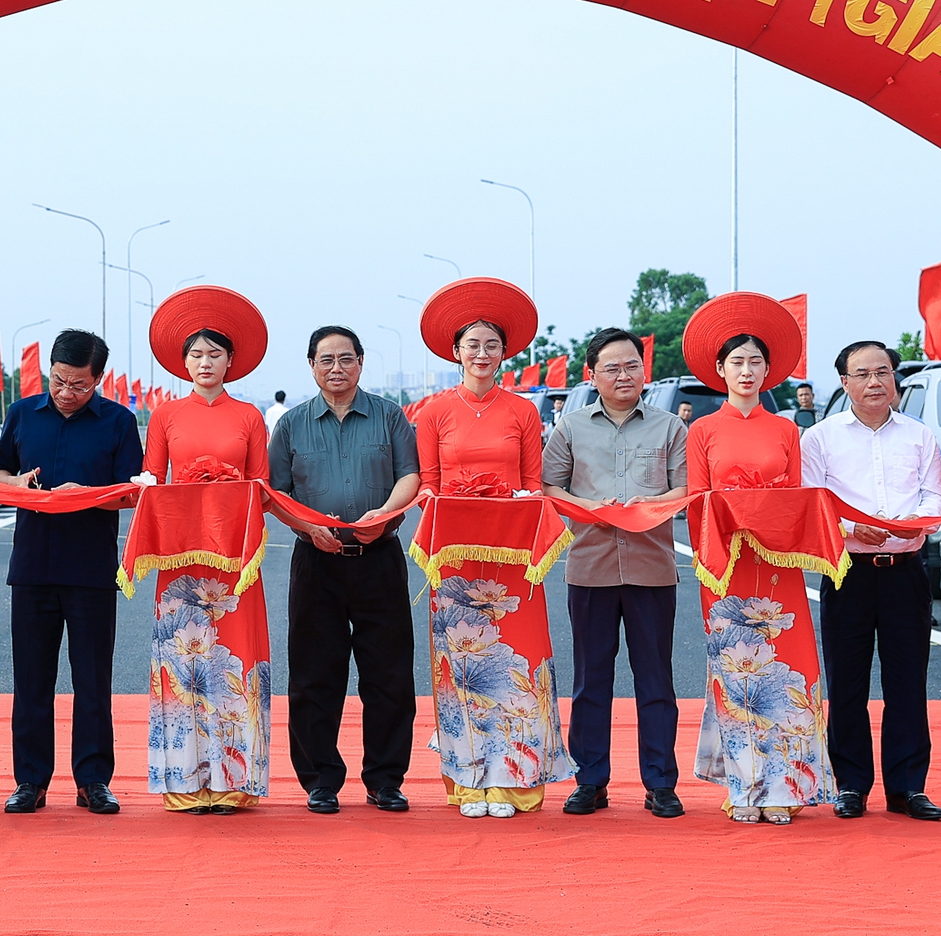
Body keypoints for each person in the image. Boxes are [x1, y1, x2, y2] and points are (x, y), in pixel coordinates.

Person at [413, 277, 573, 818]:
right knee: (461, 665)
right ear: (455, 351)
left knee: (518, 664)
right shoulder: (433, 411)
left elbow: (533, 484)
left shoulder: (523, 412)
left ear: (505, 353)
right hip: (456, 558)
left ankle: (513, 779)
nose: (482, 354)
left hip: (513, 561)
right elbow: (427, 485)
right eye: (472, 344)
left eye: (491, 345)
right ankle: (468, 779)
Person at [682, 292, 830, 825]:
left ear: (770, 371)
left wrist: (764, 510)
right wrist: (733, 506)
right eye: (737, 362)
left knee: (787, 667)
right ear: (719, 369)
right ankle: (744, 785)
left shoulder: (787, 428)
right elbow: (696, 501)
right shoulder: (702, 430)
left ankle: (786, 783)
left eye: (756, 362)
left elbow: (794, 498)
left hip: (777, 564)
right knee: (737, 668)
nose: (746, 371)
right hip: (725, 563)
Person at [269, 325, 421, 815]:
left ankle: (385, 779)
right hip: (316, 560)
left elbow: (410, 477)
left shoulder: (389, 416)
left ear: (360, 362)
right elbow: (277, 493)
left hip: (379, 558)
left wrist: (382, 517)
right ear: (311, 365)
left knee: (389, 674)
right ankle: (320, 780)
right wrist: (307, 527)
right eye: (326, 359)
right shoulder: (291, 425)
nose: (337, 368)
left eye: (346, 359)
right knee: (315, 675)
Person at [0, 328, 142, 815]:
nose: (66, 394)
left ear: (98, 379)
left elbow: (134, 490)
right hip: (33, 565)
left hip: (91, 568)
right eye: (58, 382)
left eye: (79, 385)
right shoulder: (22, 415)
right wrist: (21, 484)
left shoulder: (119, 422)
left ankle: (93, 780)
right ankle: (30, 782)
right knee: (31, 679)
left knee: (92, 679)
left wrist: (87, 494)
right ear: (47, 372)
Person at [543, 327, 688, 820]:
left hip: (652, 570)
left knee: (656, 682)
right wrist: (591, 507)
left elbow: (685, 490)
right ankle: (590, 780)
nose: (624, 374)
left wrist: (648, 507)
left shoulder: (670, 427)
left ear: (643, 371)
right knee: (590, 682)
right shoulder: (570, 427)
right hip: (591, 569)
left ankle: (660, 784)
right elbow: (549, 487)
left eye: (632, 365)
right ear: (593, 375)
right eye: (612, 367)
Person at [137, 286, 273, 813]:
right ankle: (185, 779)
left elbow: (260, 486)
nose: (204, 363)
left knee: (233, 662)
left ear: (231, 361)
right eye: (195, 355)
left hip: (235, 561)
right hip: (181, 560)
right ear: (183, 362)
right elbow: (152, 477)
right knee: (183, 661)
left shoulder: (249, 417)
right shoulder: (166, 415)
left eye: (214, 354)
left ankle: (233, 781)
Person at [803, 340, 941, 823]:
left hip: (906, 569)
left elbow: (935, 497)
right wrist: (848, 528)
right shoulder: (820, 439)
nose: (874, 383)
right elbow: (813, 504)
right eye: (862, 374)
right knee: (847, 682)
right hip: (848, 572)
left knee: (908, 681)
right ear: (844, 383)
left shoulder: (920, 435)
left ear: (895, 379)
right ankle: (851, 785)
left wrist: (909, 524)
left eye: (882, 372)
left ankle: (908, 787)